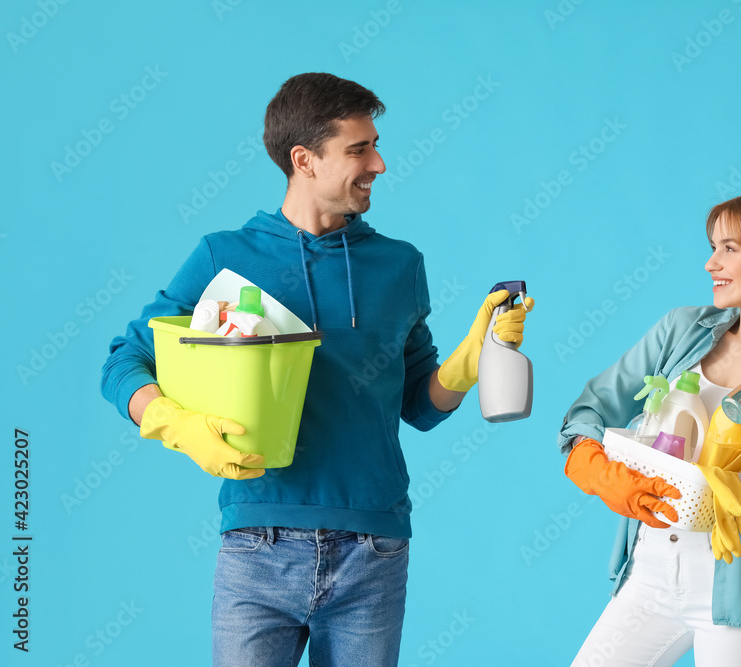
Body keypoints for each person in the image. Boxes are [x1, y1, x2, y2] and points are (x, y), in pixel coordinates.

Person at [100, 72, 533, 667]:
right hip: (259, 543)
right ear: (304, 159)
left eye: (375, 145)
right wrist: (175, 423)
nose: (378, 163)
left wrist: (474, 354)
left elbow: (421, 406)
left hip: (373, 550)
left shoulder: (399, 265)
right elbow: (125, 360)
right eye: (359, 149)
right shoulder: (225, 258)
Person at [559, 174, 741, 666]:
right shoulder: (681, 329)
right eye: (713, 247)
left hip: (738, 589)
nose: (710, 263)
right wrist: (596, 468)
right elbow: (590, 410)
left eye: (729, 249)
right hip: (647, 572)